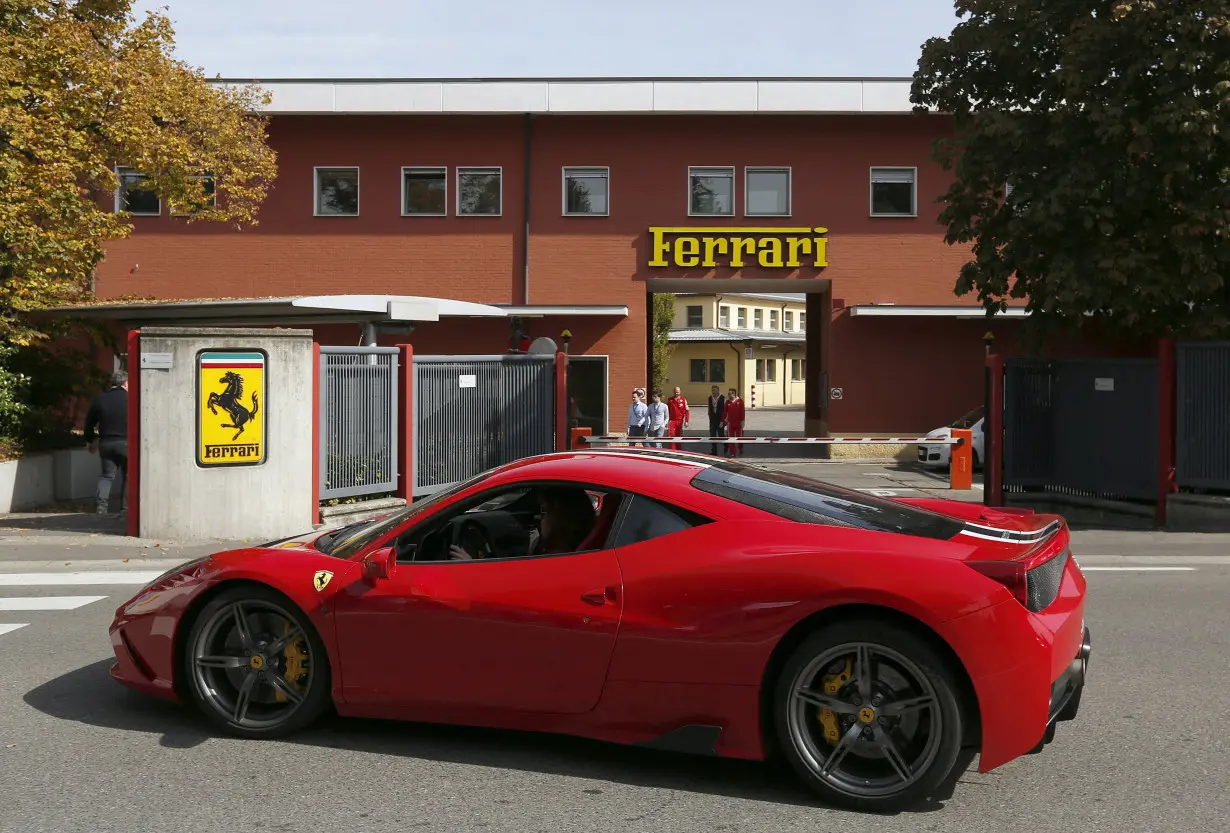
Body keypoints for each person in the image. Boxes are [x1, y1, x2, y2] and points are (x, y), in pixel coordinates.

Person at [449, 487, 595, 560]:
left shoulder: (556, 558)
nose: (538, 517)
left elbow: (512, 589)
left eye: (544, 511)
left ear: (561, 519)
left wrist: (471, 567)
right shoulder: (565, 550)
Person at [84, 370, 129, 515]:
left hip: (106, 443)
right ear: (126, 383)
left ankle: (101, 507)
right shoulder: (131, 398)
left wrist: (90, 440)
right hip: (126, 443)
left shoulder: (101, 399)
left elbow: (89, 422)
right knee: (129, 476)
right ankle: (125, 508)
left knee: (107, 476)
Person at [723, 387, 746, 458]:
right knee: (730, 438)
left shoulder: (740, 401)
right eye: (728, 394)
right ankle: (732, 452)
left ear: (734, 394)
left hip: (738, 423)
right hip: (730, 423)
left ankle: (740, 447)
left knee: (740, 437)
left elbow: (742, 412)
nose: (729, 395)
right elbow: (724, 412)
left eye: (730, 394)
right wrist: (723, 421)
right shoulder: (727, 402)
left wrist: (742, 421)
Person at [666, 386, 690, 451]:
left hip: (680, 421)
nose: (676, 393)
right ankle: (672, 450)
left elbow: (687, 411)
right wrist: (666, 421)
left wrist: (686, 420)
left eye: (677, 392)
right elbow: (667, 411)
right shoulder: (670, 400)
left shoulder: (683, 400)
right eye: (675, 392)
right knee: (670, 435)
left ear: (680, 392)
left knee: (678, 436)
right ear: (673, 392)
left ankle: (678, 450)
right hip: (672, 420)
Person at [706, 385, 727, 455]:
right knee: (712, 435)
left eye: (714, 390)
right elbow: (709, 408)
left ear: (718, 390)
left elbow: (725, 410)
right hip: (712, 420)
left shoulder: (723, 398)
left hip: (720, 420)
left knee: (721, 435)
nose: (713, 392)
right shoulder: (709, 398)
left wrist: (724, 420)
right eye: (712, 390)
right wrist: (709, 415)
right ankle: (714, 450)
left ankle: (726, 445)